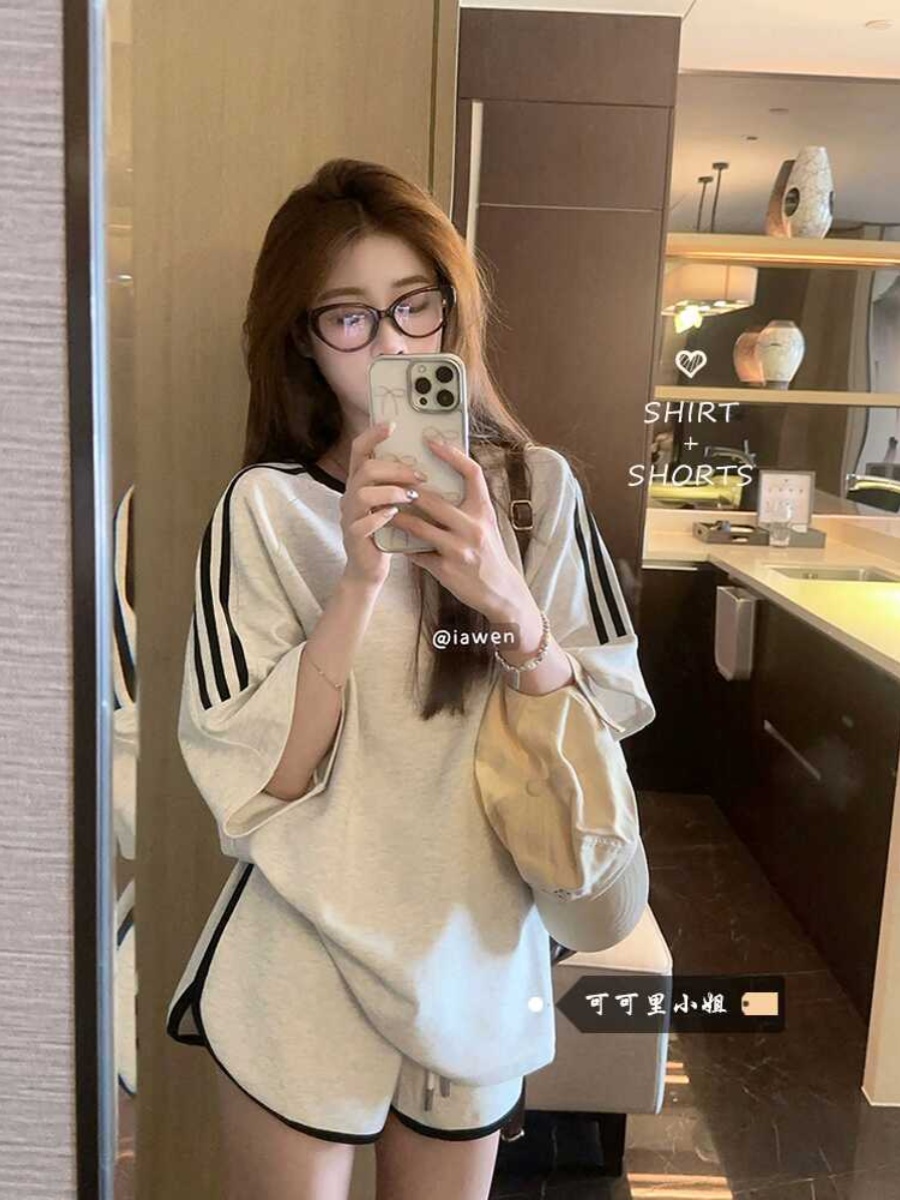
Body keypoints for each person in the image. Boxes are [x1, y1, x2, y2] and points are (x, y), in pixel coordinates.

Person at [166, 158, 656, 1200]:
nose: (391, 343)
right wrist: (357, 582)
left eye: (413, 304)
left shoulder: (539, 494)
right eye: (349, 317)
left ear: (450, 307)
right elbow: (258, 784)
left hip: (473, 957)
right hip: (303, 957)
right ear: (303, 340)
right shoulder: (263, 511)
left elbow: (603, 725)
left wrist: (508, 602)